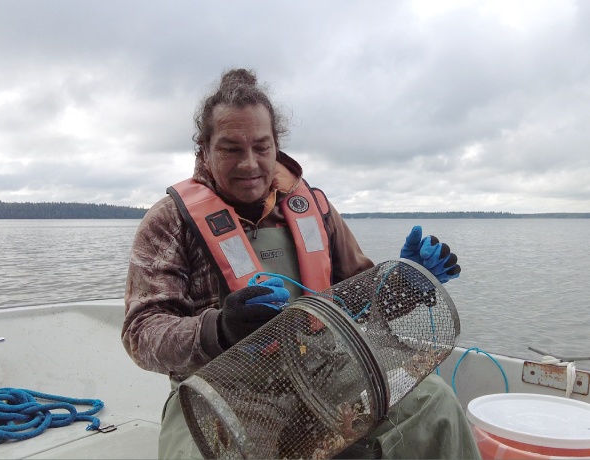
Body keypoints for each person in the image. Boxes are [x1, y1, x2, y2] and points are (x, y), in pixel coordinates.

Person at [122, 68, 479, 459]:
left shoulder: (314, 209)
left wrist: (404, 285)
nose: (249, 163)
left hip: (323, 373)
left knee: (434, 403)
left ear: (277, 146)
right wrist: (220, 329)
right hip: (223, 388)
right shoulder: (169, 222)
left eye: (261, 147)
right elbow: (142, 334)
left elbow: (359, 299)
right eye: (231, 149)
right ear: (203, 150)